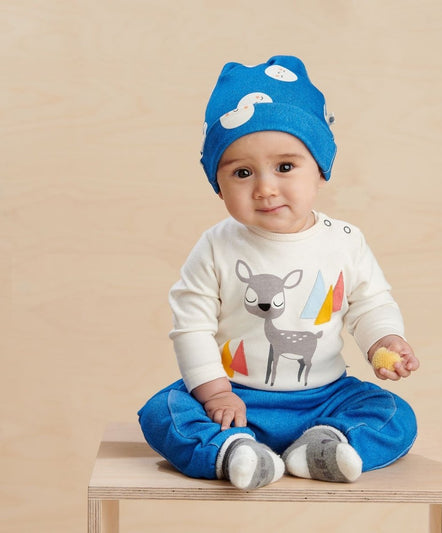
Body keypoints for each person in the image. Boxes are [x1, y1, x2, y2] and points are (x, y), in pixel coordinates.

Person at [138, 55, 420, 490]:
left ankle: (323, 446)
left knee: (396, 415)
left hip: (326, 397)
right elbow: (191, 326)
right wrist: (215, 392)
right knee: (162, 413)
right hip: (236, 398)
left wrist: (384, 339)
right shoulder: (216, 246)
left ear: (320, 169)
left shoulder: (344, 241)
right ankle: (235, 451)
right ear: (218, 185)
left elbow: (369, 303)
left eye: (285, 167)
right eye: (242, 173)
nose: (265, 188)